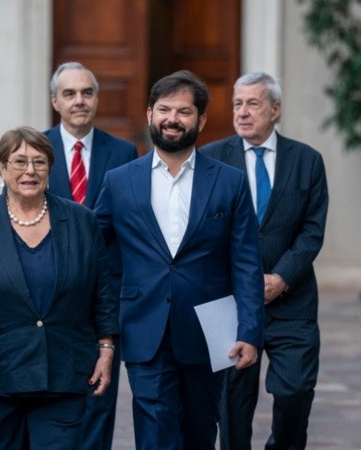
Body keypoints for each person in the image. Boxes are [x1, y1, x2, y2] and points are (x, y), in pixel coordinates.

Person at [94, 70, 264, 450]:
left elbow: (247, 264)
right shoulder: (119, 181)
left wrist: (250, 332)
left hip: (210, 331)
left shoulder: (230, 182)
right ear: (149, 113)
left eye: (184, 112)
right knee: (155, 432)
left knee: (200, 433)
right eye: (164, 109)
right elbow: (89, 248)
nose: (172, 119)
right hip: (144, 327)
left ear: (201, 120)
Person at [0, 127, 118, 449]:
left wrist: (105, 350)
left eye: (39, 162)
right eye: (19, 162)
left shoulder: (81, 222)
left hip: (64, 371)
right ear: (2, 167)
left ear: (50, 168)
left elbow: (102, 292)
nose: (30, 171)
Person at [200, 72, 329, 450]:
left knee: (295, 391)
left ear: (275, 110)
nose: (242, 112)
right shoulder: (210, 160)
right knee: (232, 405)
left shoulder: (307, 161)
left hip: (292, 301)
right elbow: (203, 230)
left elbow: (312, 231)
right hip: (232, 303)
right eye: (237, 104)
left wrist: (281, 278)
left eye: (252, 104)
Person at [44, 61, 138, 450]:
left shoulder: (124, 150)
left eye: (86, 93)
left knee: (101, 393)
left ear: (97, 98)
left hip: (106, 291)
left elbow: (132, 220)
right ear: (55, 101)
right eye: (69, 93)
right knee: (55, 395)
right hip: (49, 292)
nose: (79, 101)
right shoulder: (35, 148)